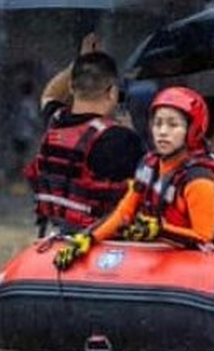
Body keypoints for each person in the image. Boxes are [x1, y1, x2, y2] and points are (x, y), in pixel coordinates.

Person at [53, 86, 214, 269]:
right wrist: (89, 237)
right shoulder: (149, 165)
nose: (163, 132)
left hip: (204, 261)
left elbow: (204, 237)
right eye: (158, 124)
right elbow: (125, 212)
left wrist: (159, 230)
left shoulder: (199, 178)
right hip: (164, 254)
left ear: (192, 130)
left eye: (173, 125)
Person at [25, 34, 145, 237]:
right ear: (112, 92)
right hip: (98, 244)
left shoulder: (55, 122)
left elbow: (50, 94)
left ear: (71, 87)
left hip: (54, 236)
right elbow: (147, 186)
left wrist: (80, 61)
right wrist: (131, 132)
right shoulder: (121, 139)